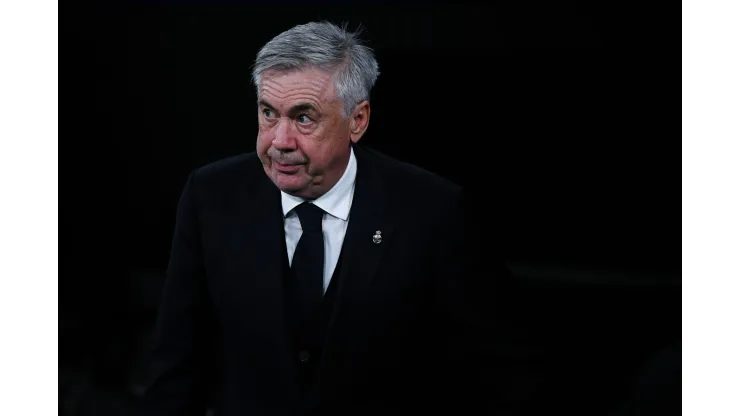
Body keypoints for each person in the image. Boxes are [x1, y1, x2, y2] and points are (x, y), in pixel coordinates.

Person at [139, 21, 508, 415]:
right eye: (268, 113)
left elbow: (488, 370)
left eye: (304, 118)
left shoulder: (432, 209)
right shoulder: (211, 195)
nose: (279, 141)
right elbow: (176, 368)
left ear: (358, 120)